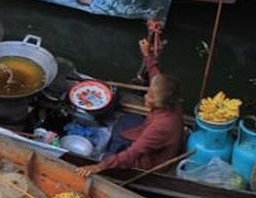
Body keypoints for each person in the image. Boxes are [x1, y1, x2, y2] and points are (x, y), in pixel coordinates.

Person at [77, 38, 183, 177]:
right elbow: (155, 76)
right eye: (148, 93)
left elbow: (133, 153)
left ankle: (109, 156)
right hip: (149, 133)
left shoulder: (161, 126)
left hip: (151, 161)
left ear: (161, 103)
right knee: (126, 121)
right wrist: (147, 55)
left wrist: (99, 166)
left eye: (150, 97)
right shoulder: (171, 99)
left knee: (116, 147)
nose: (145, 97)